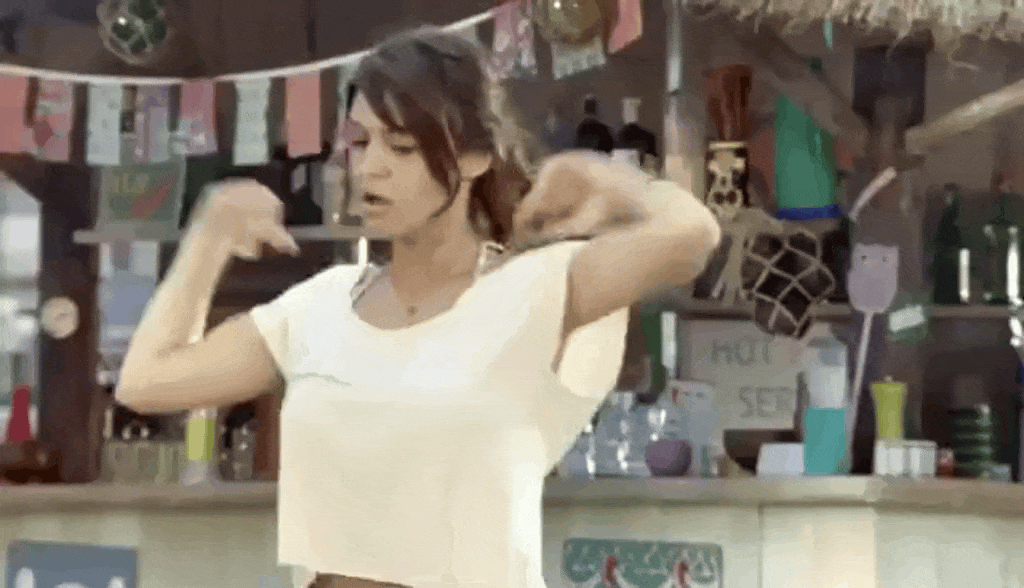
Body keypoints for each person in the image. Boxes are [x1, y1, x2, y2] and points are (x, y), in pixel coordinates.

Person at [116, 26, 720, 588]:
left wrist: (611, 182)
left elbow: (692, 236)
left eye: (401, 147)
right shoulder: (319, 308)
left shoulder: (534, 290)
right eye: (360, 142)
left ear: (474, 158)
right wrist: (210, 234)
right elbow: (146, 381)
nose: (370, 167)